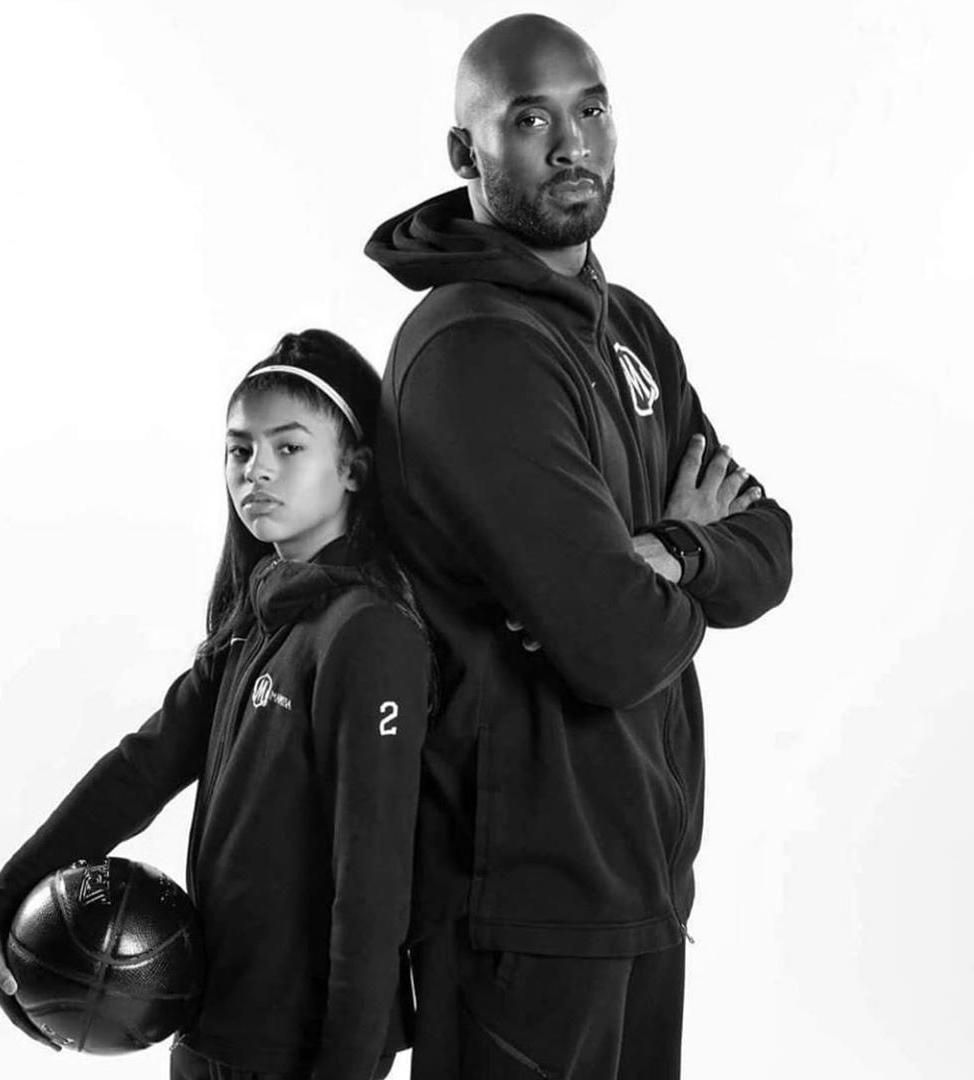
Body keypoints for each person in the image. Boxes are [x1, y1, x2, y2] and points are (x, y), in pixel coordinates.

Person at [364, 14, 793, 1080]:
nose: (573, 144)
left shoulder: (631, 330)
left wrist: (675, 553)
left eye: (591, 109)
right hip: (522, 904)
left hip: (640, 878)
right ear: (465, 152)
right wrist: (673, 554)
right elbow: (615, 644)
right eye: (530, 119)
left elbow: (769, 547)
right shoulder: (471, 349)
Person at [0, 329, 432, 1080]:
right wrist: (4, 899)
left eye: (288, 447)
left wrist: (346, 1066)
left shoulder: (369, 634)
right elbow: (142, 768)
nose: (256, 471)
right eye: (239, 449)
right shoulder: (257, 618)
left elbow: (372, 880)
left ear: (354, 469)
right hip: (211, 1025)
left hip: (301, 1050)